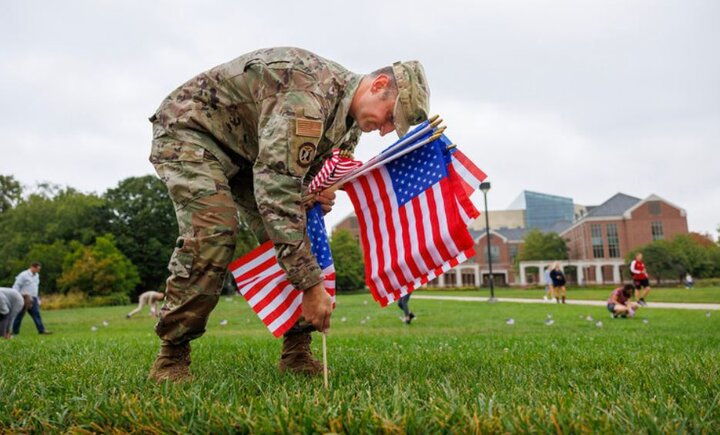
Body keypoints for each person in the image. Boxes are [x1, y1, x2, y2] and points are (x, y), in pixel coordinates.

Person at [147, 47, 430, 382]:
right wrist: (310, 285)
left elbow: (300, 182)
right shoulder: (307, 98)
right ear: (379, 84)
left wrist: (315, 193)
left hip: (251, 155)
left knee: (303, 229)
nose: (384, 130)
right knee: (215, 230)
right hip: (193, 132)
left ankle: (297, 353)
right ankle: (172, 356)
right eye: (390, 116)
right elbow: (277, 191)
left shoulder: (349, 126)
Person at [12, 262, 52, 335]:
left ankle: (41, 330)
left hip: (34, 298)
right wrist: (16, 297)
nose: (38, 271)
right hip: (23, 298)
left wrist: (38, 299)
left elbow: (35, 288)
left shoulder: (37, 276)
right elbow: (16, 286)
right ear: (32, 267)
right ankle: (15, 332)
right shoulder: (23, 275)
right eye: (37, 269)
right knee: (19, 315)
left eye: (39, 269)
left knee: (36, 314)